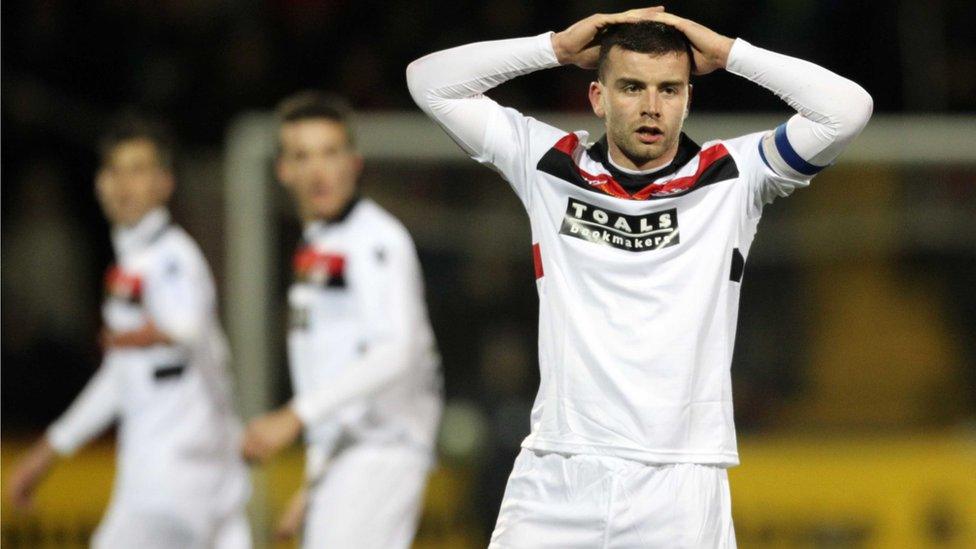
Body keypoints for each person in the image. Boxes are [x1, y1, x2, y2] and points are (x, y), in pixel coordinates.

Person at [408, 6, 872, 547]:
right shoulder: (549, 163)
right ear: (597, 98)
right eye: (631, 87)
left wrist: (728, 53)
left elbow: (847, 110)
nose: (652, 107)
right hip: (559, 470)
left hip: (679, 484)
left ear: (688, 99)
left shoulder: (733, 176)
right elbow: (429, 82)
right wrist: (553, 48)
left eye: (670, 89)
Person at [6, 114, 252, 548]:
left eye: (139, 170)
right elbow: (120, 379)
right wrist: (47, 453)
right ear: (99, 182)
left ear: (165, 183)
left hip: (179, 478)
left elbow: (187, 321)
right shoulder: (132, 262)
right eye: (115, 170)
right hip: (168, 477)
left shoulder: (172, 256)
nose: (124, 184)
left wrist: (149, 334)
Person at [240, 92, 442, 549]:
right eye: (302, 156)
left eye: (330, 153)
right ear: (283, 170)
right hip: (349, 457)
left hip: (383, 449)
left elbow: (397, 350)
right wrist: (316, 481)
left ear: (354, 162)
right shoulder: (318, 245)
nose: (318, 170)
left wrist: (294, 417)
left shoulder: (376, 240)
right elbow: (328, 368)